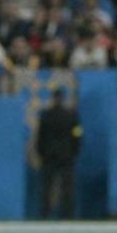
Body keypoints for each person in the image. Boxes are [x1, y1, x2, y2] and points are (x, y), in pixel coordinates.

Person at [36, 88, 82, 219]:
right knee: (67, 188)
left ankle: (44, 215)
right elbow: (77, 135)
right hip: (66, 155)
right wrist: (74, 152)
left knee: (47, 188)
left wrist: (41, 153)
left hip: (49, 156)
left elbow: (40, 137)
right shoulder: (71, 116)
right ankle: (68, 215)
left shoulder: (46, 115)